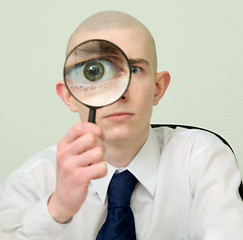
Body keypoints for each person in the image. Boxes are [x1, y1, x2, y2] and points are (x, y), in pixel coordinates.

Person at [0, 10, 243, 240]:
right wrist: (56, 209)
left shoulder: (203, 159)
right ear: (69, 96)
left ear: (158, 88)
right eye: (94, 72)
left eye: (134, 69)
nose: (119, 93)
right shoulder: (30, 182)